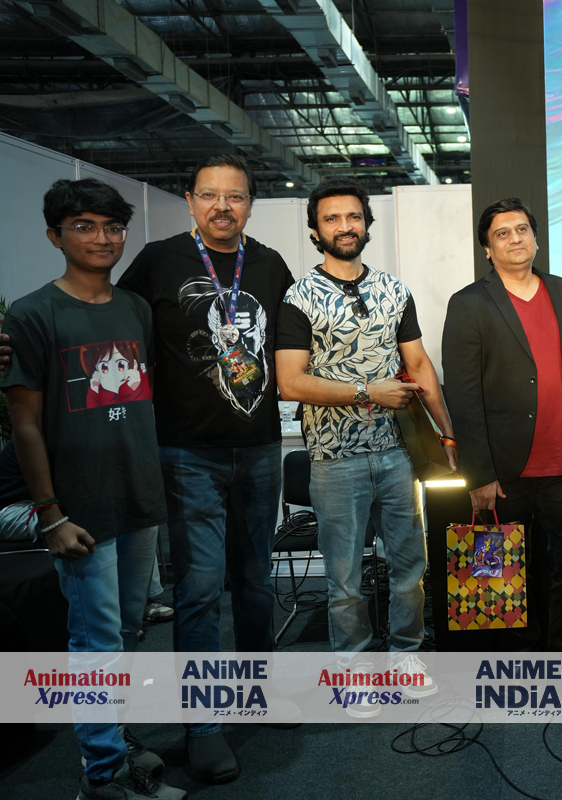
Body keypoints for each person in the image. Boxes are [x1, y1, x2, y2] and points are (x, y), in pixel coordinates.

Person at [1, 179, 183, 799]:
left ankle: (113, 739)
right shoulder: (32, 314)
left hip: (137, 497)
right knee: (94, 641)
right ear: (54, 236)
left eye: (111, 226)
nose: (101, 238)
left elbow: (141, 395)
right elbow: (25, 423)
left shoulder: (134, 308)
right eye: (83, 225)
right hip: (80, 509)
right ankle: (103, 775)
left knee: (127, 633)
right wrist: (50, 514)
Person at [116, 154, 294, 783]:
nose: (223, 206)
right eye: (210, 195)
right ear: (190, 200)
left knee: (255, 580)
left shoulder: (270, 264)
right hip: (187, 452)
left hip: (260, 447)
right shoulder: (158, 261)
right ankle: (204, 724)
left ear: (250, 204)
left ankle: (257, 691)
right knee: (197, 590)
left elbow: (294, 346)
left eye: (235, 196)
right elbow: (110, 323)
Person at [276, 178, 456, 713]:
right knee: (345, 579)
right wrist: (366, 391)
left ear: (367, 224)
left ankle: (406, 655)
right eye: (332, 219)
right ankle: (352, 670)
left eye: (353, 216)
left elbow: (419, 365)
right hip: (334, 460)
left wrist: (447, 432)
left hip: (398, 452)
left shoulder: (394, 290)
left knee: (409, 567)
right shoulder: (298, 297)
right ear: (316, 231)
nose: (344, 226)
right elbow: (290, 382)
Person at [441, 197, 562, 709]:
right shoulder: (469, 303)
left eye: (522, 229)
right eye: (502, 233)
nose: (515, 238)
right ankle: (525, 671)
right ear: (487, 249)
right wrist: (479, 473)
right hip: (504, 472)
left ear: (535, 236)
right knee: (510, 574)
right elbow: (463, 395)